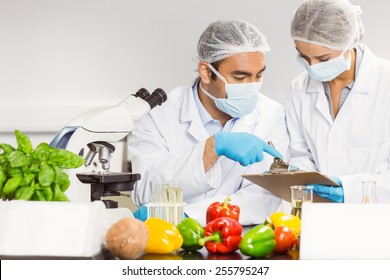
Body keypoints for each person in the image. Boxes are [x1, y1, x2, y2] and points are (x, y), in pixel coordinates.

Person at [129, 19, 289, 226]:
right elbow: (144, 191)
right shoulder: (158, 116)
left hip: (240, 240)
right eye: (239, 77)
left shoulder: (273, 115)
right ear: (206, 72)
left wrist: (186, 216)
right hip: (168, 236)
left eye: (258, 75)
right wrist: (211, 149)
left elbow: (263, 197)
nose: (252, 87)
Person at [287, 0, 390, 203]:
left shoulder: (385, 81)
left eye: (323, 59)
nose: (312, 67)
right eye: (303, 57)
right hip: (317, 213)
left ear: (349, 42)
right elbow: (299, 154)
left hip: (377, 216)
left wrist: (350, 190)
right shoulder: (298, 88)